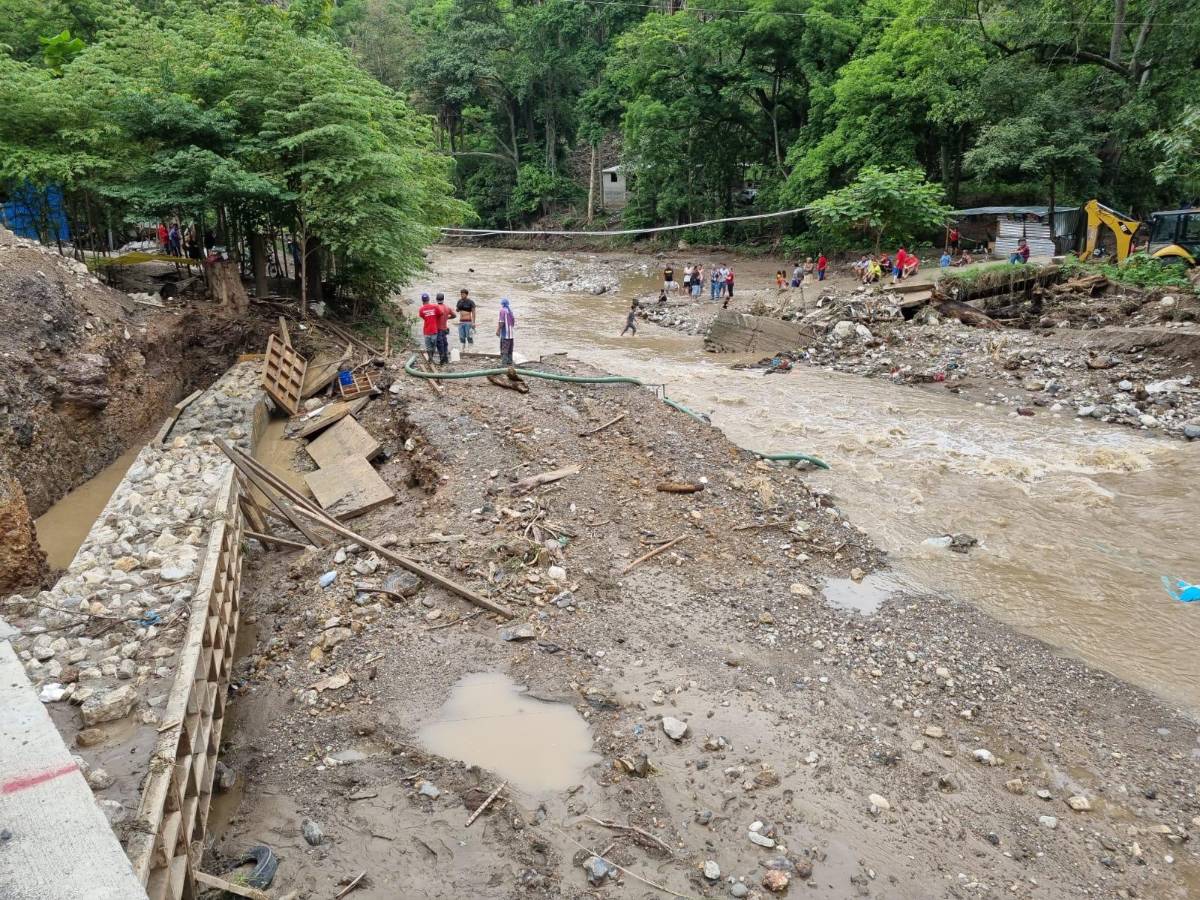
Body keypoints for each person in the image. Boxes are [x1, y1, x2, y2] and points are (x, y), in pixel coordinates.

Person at [434, 292, 455, 364]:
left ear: (436, 299)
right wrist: (447, 318)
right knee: (445, 343)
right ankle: (446, 358)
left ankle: (442, 358)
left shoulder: (435, 308)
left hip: (438, 329)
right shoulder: (447, 308)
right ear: (443, 299)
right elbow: (454, 315)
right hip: (445, 329)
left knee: (440, 344)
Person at [418, 293, 440, 360]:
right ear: (429, 299)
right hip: (434, 330)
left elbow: (423, 316)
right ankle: (431, 358)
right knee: (433, 346)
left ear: (422, 300)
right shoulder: (435, 307)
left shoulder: (421, 309)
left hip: (426, 330)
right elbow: (440, 314)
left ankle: (430, 358)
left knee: (428, 346)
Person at [497, 298, 516, 365]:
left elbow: (501, 322)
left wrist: (498, 330)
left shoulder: (502, 310)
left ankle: (504, 363)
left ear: (502, 304)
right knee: (510, 349)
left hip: (505, 334)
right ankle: (509, 361)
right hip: (511, 334)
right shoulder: (510, 311)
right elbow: (513, 322)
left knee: (504, 349)